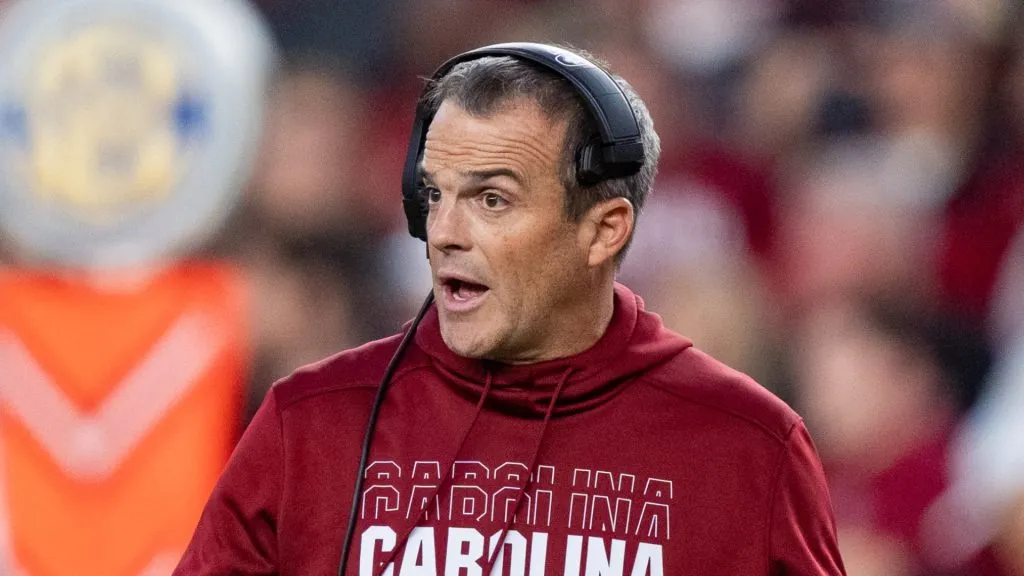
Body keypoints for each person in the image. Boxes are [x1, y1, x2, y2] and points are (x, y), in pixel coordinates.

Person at [174, 43, 846, 575]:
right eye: (434, 196)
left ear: (604, 229)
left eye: (492, 200)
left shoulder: (746, 448)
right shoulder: (312, 424)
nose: (445, 233)